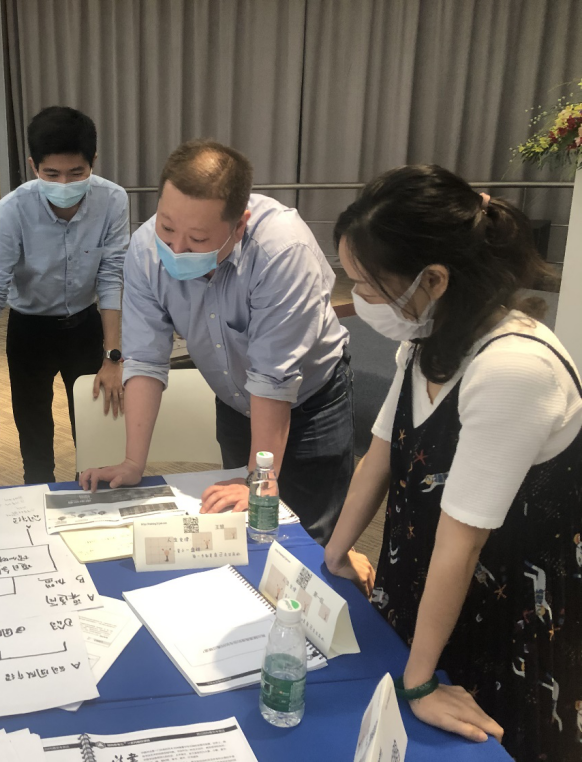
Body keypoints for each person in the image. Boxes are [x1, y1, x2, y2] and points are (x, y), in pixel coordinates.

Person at [323, 165, 581, 760]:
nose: (356, 300)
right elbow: (379, 456)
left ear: (434, 279)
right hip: (423, 586)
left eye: (366, 285)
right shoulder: (427, 341)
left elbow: (462, 542)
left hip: (500, 612)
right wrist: (334, 554)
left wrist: (419, 682)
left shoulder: (513, 369)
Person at [80, 140, 353, 545]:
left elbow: (273, 377)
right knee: (238, 528)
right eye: (166, 227)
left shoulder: (282, 251)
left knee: (307, 537)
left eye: (197, 238)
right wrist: (133, 462)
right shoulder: (145, 249)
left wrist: (258, 478)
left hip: (310, 401)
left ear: (239, 226)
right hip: (235, 399)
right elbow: (146, 360)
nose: (176, 249)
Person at [0, 106, 128, 484]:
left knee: (93, 430)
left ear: (93, 162)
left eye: (77, 172)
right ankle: (38, 495)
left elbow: (111, 278)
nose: (64, 183)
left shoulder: (112, 200)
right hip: (30, 330)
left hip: (85, 326)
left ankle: (91, 496)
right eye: (51, 174)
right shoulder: (13, 209)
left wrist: (113, 356)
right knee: (33, 430)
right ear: (33, 166)